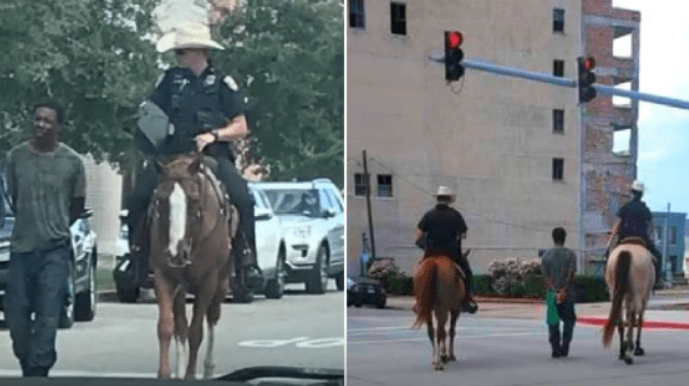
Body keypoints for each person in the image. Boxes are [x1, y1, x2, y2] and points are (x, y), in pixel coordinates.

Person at [126, 22, 263, 292]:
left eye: (181, 52)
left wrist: (213, 135)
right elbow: (151, 113)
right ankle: (136, 259)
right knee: (139, 197)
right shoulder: (168, 80)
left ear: (199, 52)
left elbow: (241, 126)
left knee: (242, 198)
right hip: (172, 156)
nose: (178, 58)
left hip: (210, 155)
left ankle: (247, 261)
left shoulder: (223, 83)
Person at [2, 101, 86, 377]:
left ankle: (38, 372)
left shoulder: (72, 162)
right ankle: (28, 363)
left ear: (58, 127)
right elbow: (14, 198)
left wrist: (56, 224)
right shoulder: (15, 158)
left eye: (47, 121)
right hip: (22, 250)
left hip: (55, 251)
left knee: (48, 317)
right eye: (37, 119)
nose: (40, 125)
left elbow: (76, 205)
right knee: (17, 317)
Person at [415, 186, 477, 313]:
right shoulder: (455, 215)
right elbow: (463, 234)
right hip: (451, 253)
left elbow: (419, 235)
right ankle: (467, 300)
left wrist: (424, 245)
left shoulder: (429, 214)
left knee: (418, 272)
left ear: (437, 198)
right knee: (467, 273)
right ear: (449, 200)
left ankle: (419, 302)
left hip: (431, 252)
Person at [607, 181, 664, 289]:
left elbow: (618, 225)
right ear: (642, 194)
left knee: (609, 255)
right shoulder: (645, 209)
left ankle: (609, 279)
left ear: (632, 192)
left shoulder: (625, 207)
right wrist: (652, 237)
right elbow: (651, 227)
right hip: (642, 238)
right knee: (658, 256)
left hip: (624, 238)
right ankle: (657, 280)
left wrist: (611, 239)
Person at [541, 227, 577, 358]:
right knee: (569, 320)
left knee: (552, 320)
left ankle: (555, 347)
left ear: (553, 238)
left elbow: (545, 277)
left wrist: (554, 290)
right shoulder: (570, 255)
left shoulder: (546, 256)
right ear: (564, 238)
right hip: (567, 292)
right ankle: (565, 346)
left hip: (551, 293)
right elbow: (571, 274)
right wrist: (563, 289)